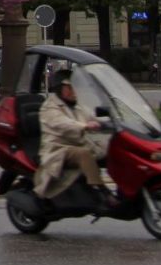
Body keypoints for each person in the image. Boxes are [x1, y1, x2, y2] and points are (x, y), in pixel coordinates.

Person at [37, 69, 118, 208]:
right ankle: (103, 192)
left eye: (74, 87)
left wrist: (112, 121)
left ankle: (123, 186)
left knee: (115, 149)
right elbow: (63, 124)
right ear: (58, 88)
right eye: (69, 88)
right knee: (84, 155)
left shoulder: (76, 106)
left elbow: (92, 117)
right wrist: (85, 125)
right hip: (58, 149)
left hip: (78, 144)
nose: (73, 91)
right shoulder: (50, 107)